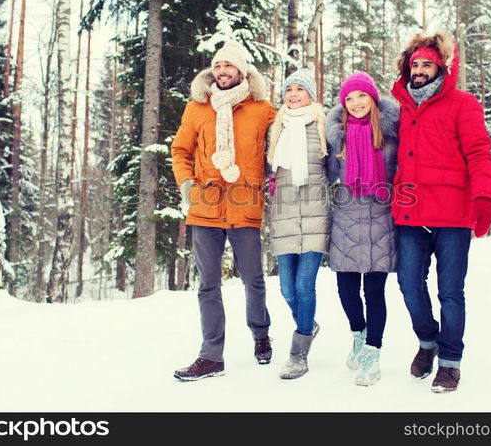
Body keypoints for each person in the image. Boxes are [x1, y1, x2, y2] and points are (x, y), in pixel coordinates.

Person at [390, 29, 491, 392]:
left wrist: (483, 197)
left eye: (427, 64)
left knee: (450, 291)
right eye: (414, 63)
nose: (419, 69)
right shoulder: (400, 106)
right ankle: (428, 340)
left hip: (452, 214)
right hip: (409, 213)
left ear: (440, 68)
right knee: (408, 285)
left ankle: (449, 362)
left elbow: (480, 153)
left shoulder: (462, 104)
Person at [171, 40, 277, 381]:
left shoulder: (262, 109)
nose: (222, 72)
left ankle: (261, 335)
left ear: (242, 71)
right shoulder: (197, 108)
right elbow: (180, 151)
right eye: (217, 66)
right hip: (205, 207)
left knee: (253, 279)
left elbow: (281, 146)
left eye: (228, 66)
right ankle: (211, 355)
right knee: (207, 285)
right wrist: (188, 185)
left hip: (245, 204)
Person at [325, 71, 399, 386]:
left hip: (381, 219)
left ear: (373, 99)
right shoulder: (337, 138)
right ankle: (359, 333)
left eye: (361, 97)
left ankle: (373, 353)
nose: (355, 103)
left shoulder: (392, 137)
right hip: (346, 221)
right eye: (349, 99)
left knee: (375, 292)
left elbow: (403, 173)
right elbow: (326, 176)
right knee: (346, 290)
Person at [266, 69, 330, 380]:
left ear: (311, 94)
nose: (293, 94)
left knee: (305, 285)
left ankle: (298, 352)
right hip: (284, 215)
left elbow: (336, 169)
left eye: (300, 89)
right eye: (289, 89)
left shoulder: (324, 125)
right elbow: (268, 171)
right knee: (286, 287)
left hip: (316, 215)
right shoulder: (275, 128)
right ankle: (309, 324)